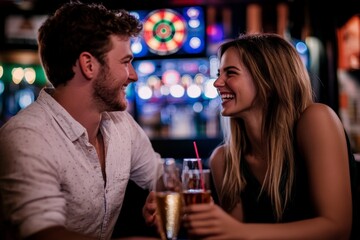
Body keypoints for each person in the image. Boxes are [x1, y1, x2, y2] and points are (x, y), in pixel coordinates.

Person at [143, 33, 359, 239]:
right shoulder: (225, 160)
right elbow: (231, 236)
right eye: (219, 74)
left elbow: (337, 229)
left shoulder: (316, 120)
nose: (217, 83)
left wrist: (241, 232)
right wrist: (190, 221)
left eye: (231, 73)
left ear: (268, 79)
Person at [0, 1, 162, 240]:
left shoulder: (120, 124)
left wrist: (164, 191)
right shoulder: (26, 137)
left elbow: (161, 173)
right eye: (126, 62)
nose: (134, 75)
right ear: (88, 65)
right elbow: (40, 234)